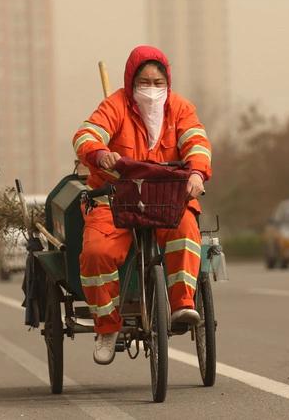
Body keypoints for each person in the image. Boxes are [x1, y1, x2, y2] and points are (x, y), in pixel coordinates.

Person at [72, 45, 212, 364]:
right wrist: (98, 153)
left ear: (168, 83)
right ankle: (107, 327)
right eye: (144, 82)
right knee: (96, 253)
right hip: (114, 198)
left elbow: (198, 143)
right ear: (131, 81)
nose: (151, 89)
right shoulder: (115, 105)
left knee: (187, 231)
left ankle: (182, 305)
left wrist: (197, 173)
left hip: (165, 200)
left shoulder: (180, 108)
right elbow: (85, 135)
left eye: (157, 82)